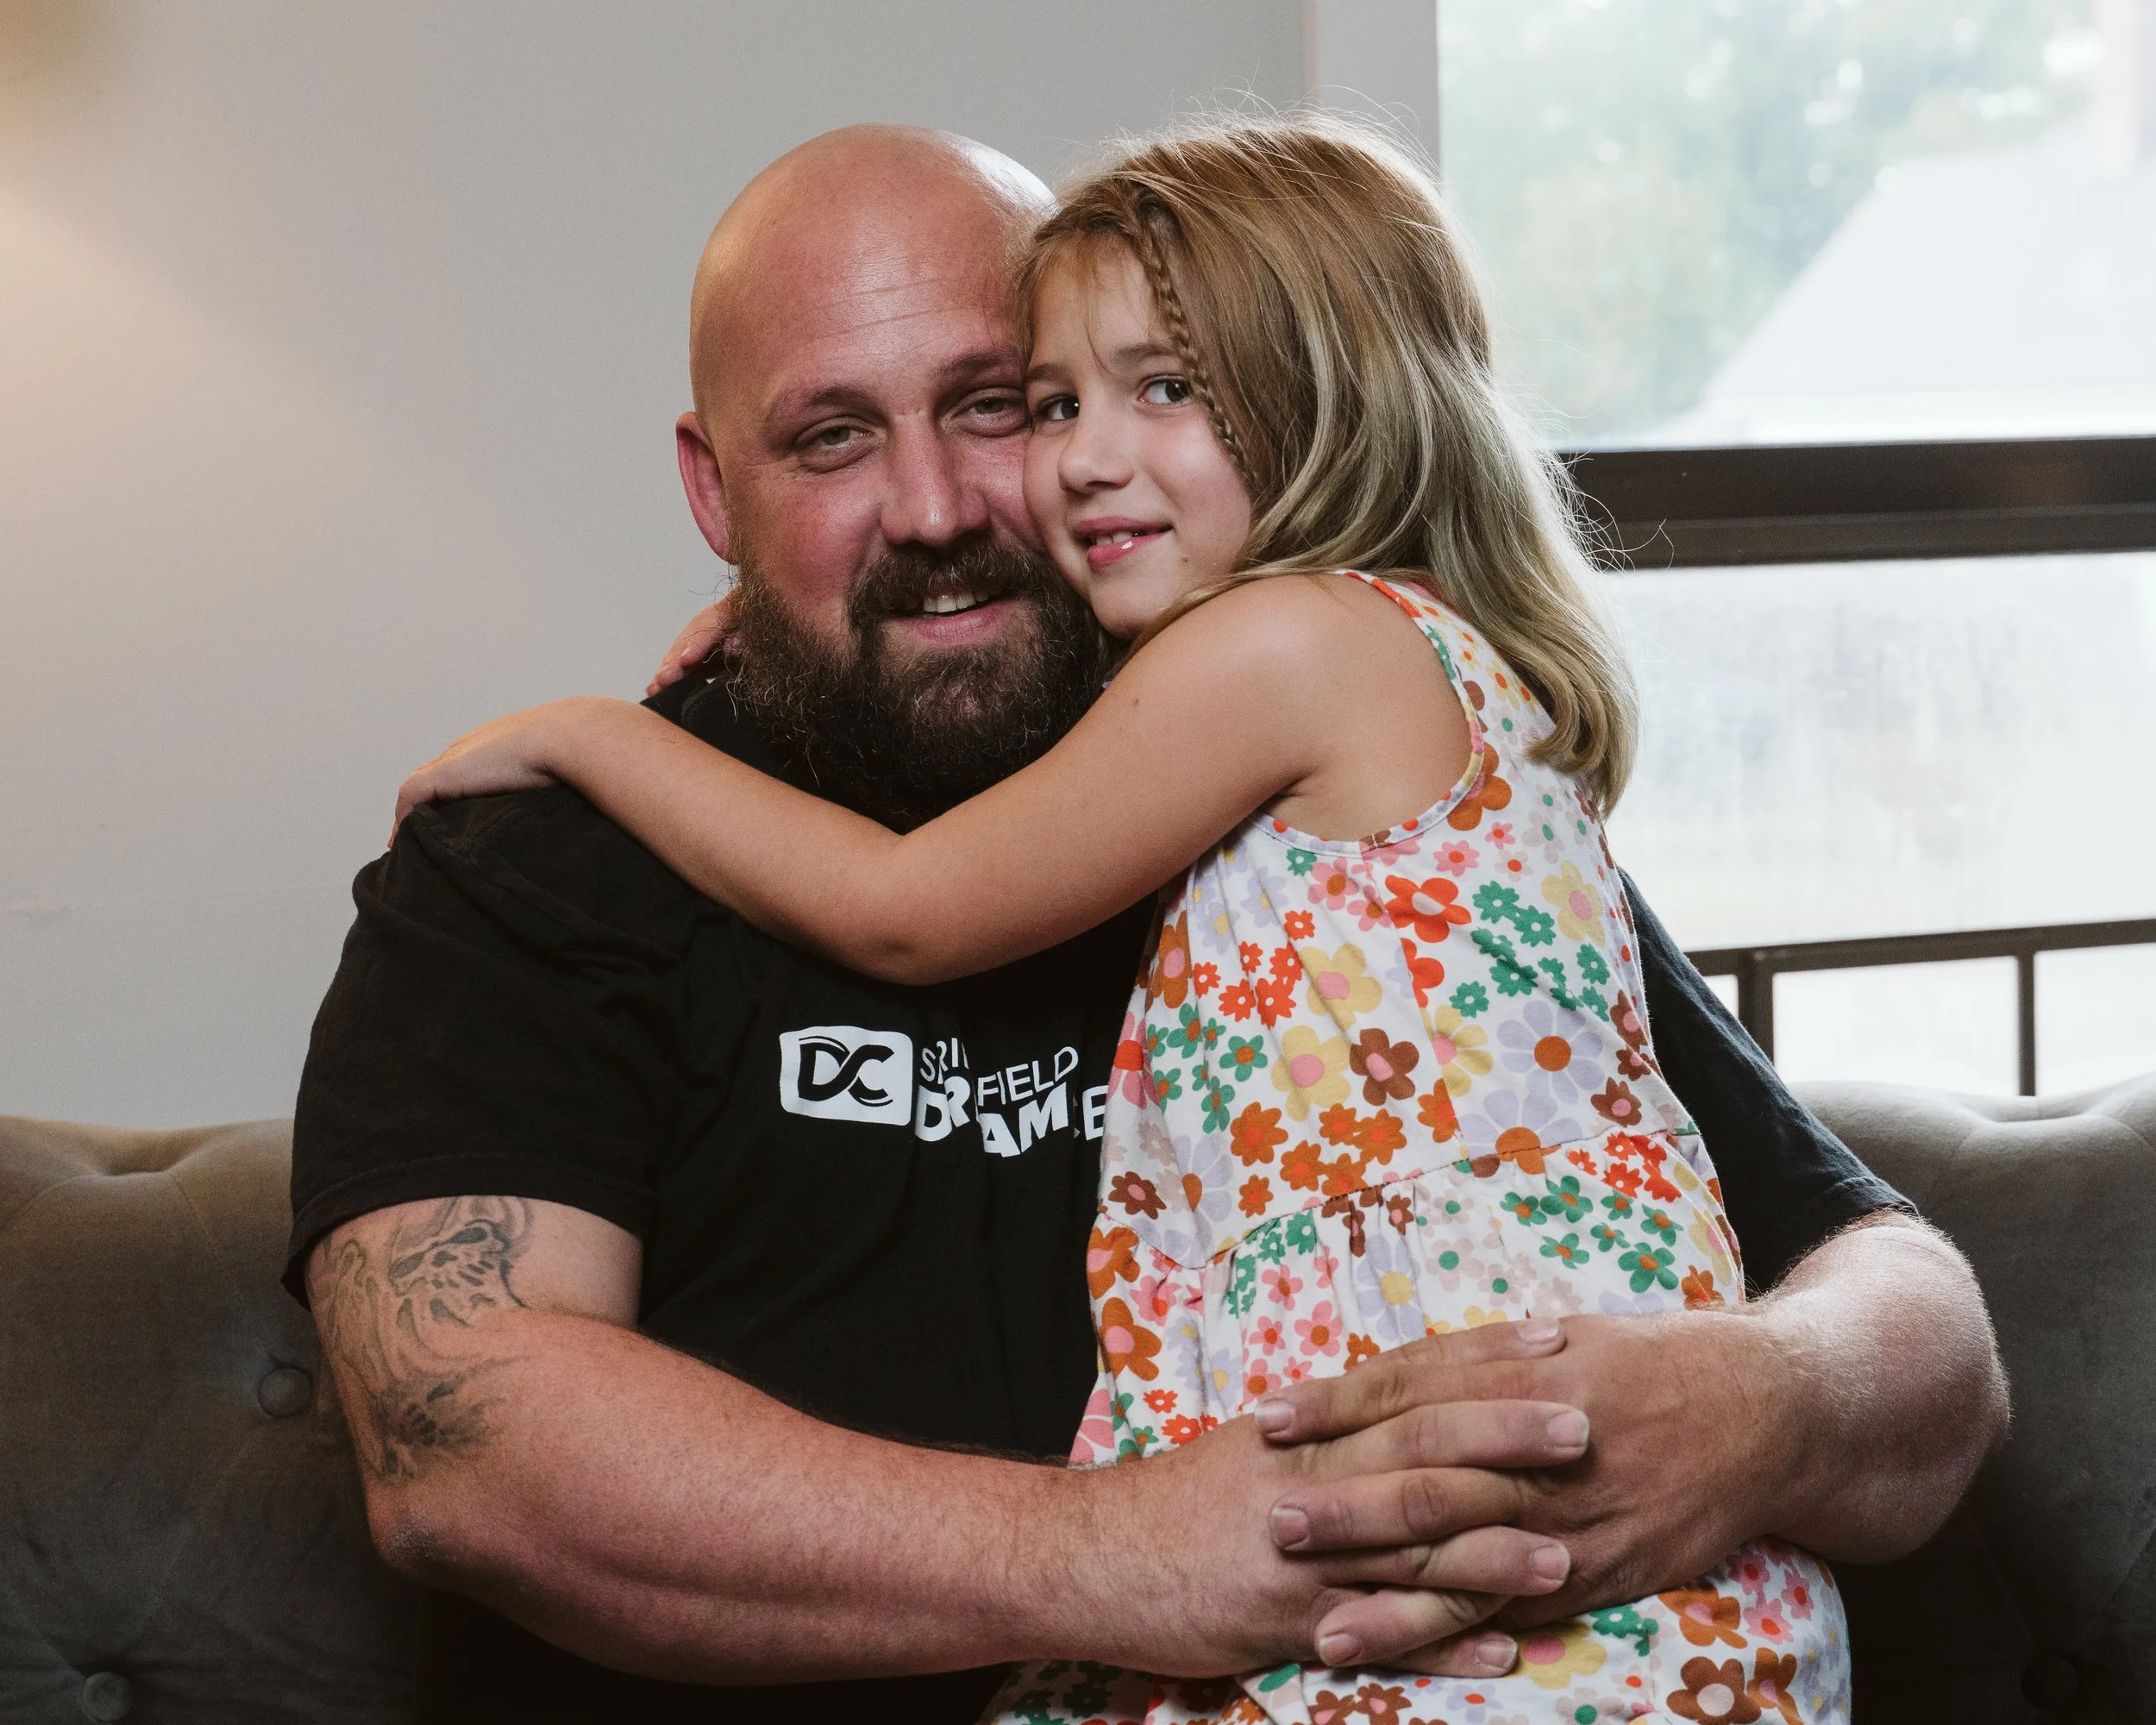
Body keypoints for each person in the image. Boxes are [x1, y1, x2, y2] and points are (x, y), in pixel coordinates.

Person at [294, 123, 2004, 1723]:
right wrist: (1116, 1554)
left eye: (995, 405)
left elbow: (1918, 1330)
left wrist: (1755, 1404)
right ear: (713, 491)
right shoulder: (531, 867)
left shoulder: (1345, 820)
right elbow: (469, 1451)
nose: (940, 509)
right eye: (830, 438)